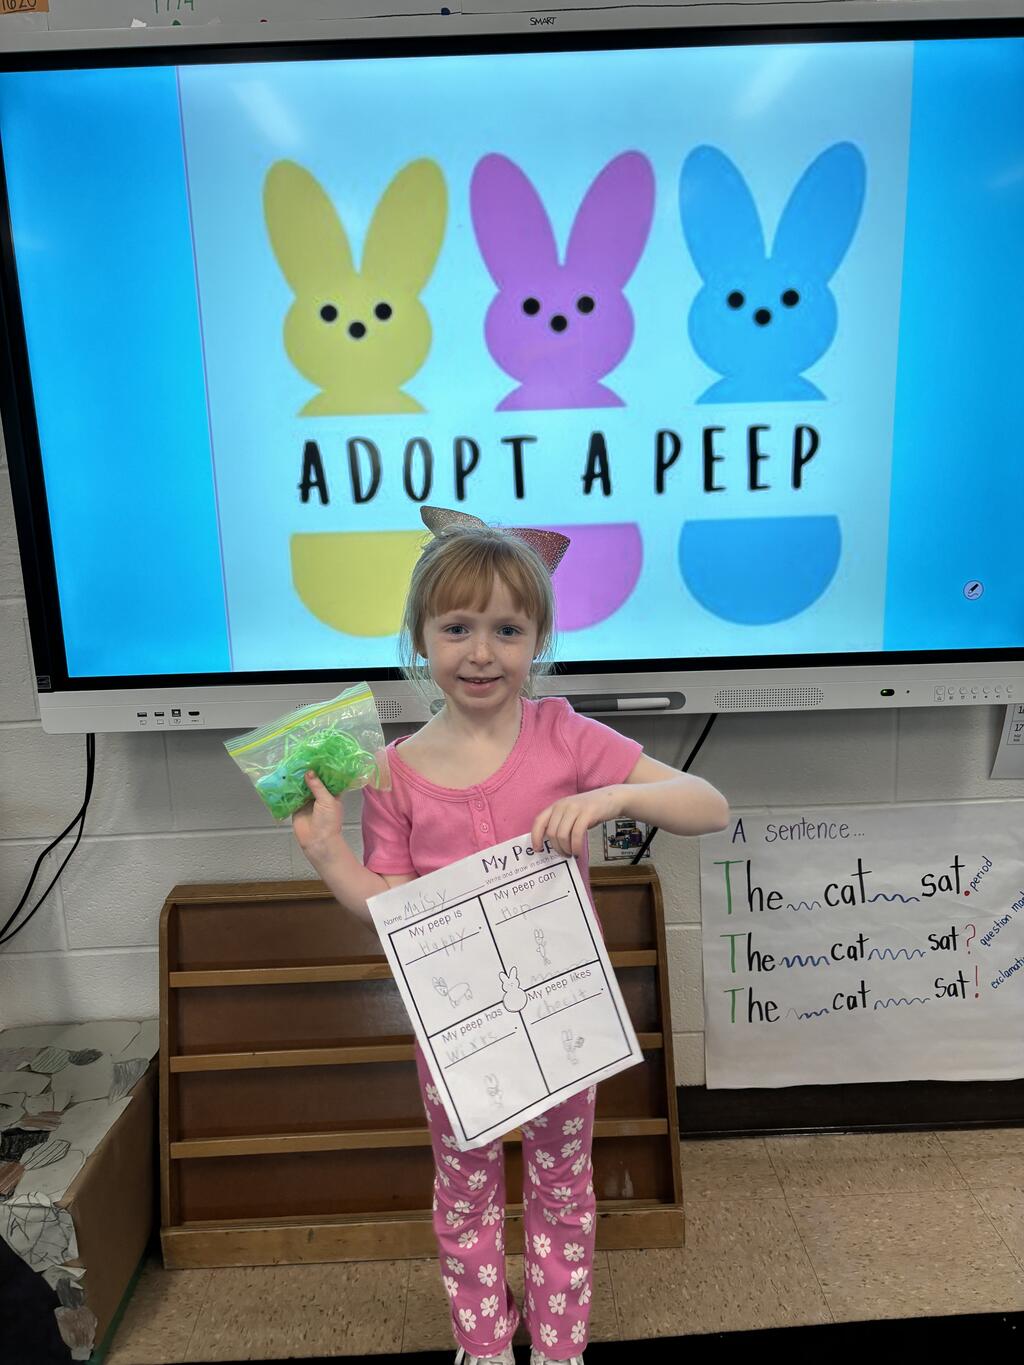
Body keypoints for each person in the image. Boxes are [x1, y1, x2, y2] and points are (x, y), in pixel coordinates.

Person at [292, 506, 729, 1365]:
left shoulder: (565, 734)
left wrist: (612, 796)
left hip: (562, 1021)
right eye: (457, 627)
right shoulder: (394, 770)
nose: (481, 651)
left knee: (563, 1182)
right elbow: (391, 907)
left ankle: (560, 1343)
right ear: (420, 635)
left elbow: (708, 805)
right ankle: (484, 1342)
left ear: (539, 640)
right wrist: (329, 856)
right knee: (464, 1187)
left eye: (507, 629)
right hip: (456, 1029)